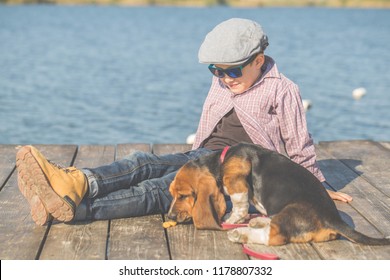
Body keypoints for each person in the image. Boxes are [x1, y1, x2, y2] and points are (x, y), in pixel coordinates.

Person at [16, 18, 352, 226]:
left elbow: (299, 143)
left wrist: (315, 185)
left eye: (232, 70)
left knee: (158, 191)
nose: (224, 78)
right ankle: (75, 183)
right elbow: (208, 122)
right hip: (204, 155)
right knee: (145, 163)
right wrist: (190, 157)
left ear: (259, 61)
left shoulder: (283, 89)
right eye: (216, 70)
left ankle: (77, 209)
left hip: (240, 173)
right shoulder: (222, 80)